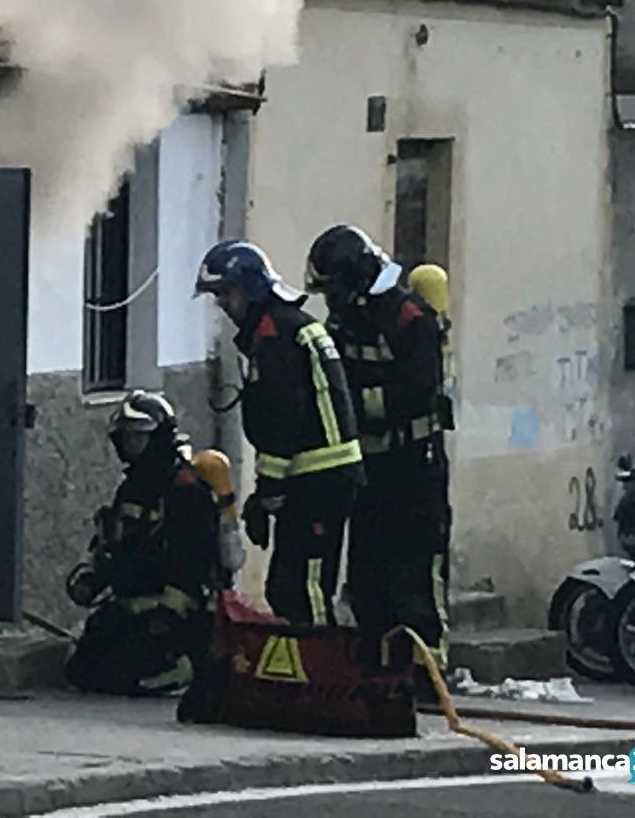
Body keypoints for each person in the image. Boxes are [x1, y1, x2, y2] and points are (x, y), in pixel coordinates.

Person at [306, 224, 452, 675]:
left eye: (333, 288)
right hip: (368, 468)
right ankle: (375, 672)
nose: (330, 299)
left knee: (414, 573)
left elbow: (417, 392)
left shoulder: (411, 320)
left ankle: (426, 671)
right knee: (366, 575)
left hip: (414, 464)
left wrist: (351, 403)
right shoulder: (345, 320)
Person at [193, 240, 363, 627]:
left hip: (320, 479)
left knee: (306, 588)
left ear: (249, 287)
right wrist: (268, 490)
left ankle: (320, 659)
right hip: (316, 477)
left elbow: (282, 417)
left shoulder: (275, 335)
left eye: (225, 293)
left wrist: (269, 487)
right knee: (287, 588)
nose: (222, 304)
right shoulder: (286, 326)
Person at [64, 391, 221, 698]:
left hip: (171, 613)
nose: (129, 445)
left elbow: (194, 563)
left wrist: (169, 615)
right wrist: (94, 580)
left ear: (158, 438)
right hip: (130, 606)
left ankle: (184, 665)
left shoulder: (185, 490)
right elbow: (120, 544)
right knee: (81, 672)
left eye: (137, 437)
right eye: (125, 438)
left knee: (120, 678)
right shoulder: (133, 486)